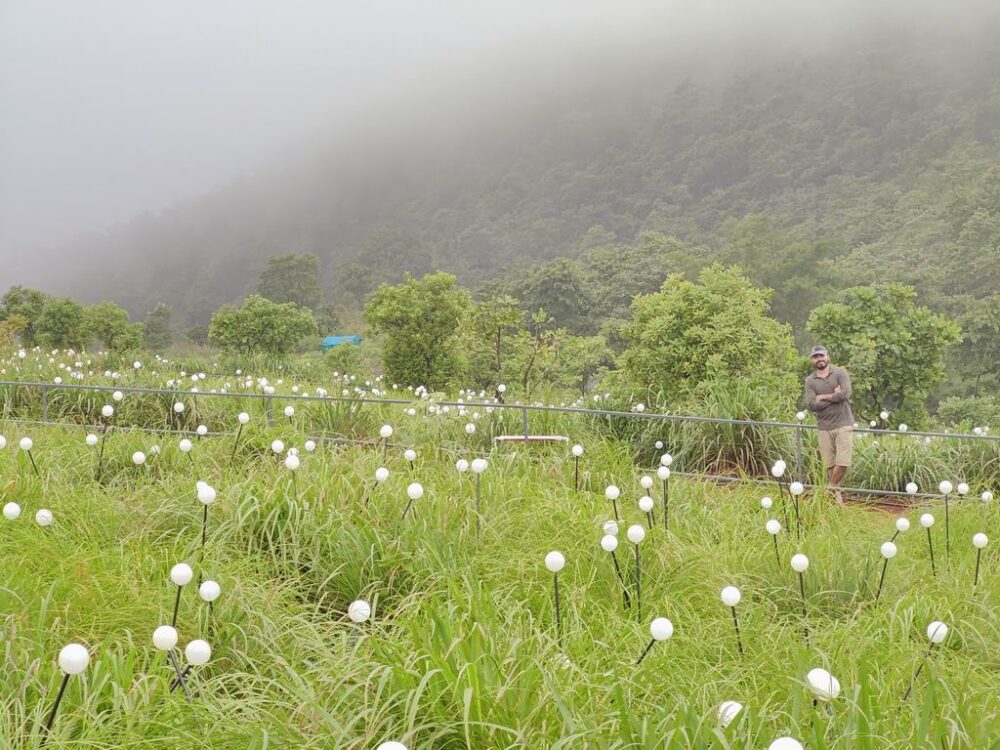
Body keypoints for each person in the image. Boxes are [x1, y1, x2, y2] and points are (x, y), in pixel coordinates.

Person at [804, 345, 853, 505]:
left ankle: (827, 491)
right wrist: (834, 396)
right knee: (830, 465)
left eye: (821, 356)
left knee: (843, 463)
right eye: (815, 356)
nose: (819, 359)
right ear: (812, 360)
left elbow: (845, 394)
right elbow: (812, 405)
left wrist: (822, 397)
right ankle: (837, 502)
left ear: (827, 357)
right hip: (823, 427)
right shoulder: (810, 381)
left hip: (843, 423)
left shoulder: (840, 373)